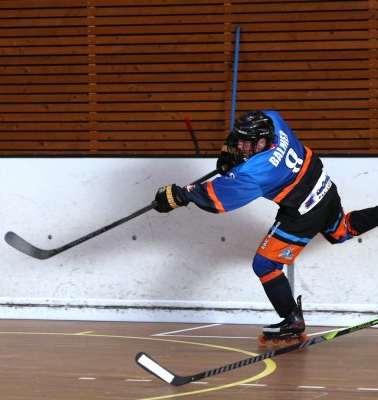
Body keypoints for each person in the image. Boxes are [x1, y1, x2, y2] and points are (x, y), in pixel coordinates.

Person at [153, 110, 378, 341]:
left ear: (262, 141)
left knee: (265, 264)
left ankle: (291, 318)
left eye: (246, 143)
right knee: (342, 231)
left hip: (304, 210)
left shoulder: (256, 172)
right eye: (239, 141)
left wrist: (180, 195)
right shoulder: (273, 121)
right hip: (323, 187)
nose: (240, 146)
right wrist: (229, 154)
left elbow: (216, 199)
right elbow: (247, 129)